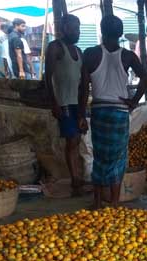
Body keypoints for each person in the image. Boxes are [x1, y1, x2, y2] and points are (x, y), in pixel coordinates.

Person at [81, 15, 147, 209]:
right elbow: (145, 77)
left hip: (99, 112)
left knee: (100, 156)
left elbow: (84, 89)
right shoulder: (128, 56)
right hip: (119, 112)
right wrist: (134, 101)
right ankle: (115, 203)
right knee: (119, 158)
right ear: (120, 34)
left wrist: (80, 115)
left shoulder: (91, 53)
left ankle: (96, 202)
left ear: (102, 31)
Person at [45, 14, 85, 196]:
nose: (78, 32)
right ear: (64, 28)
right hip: (64, 102)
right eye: (74, 28)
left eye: (78, 28)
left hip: (76, 102)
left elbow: (82, 81)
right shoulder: (55, 48)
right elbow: (48, 77)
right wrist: (53, 102)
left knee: (77, 140)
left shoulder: (78, 51)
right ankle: (76, 182)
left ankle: (77, 178)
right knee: (72, 141)